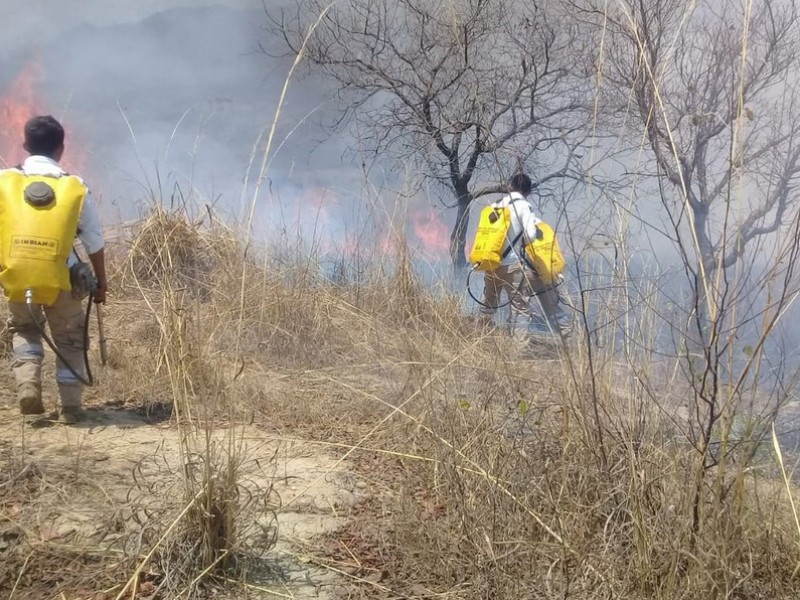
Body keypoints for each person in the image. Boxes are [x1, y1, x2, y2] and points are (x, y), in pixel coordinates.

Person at [0, 115, 107, 424]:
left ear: (24, 145)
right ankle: (71, 408)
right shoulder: (75, 187)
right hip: (63, 279)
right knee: (70, 339)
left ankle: (28, 386)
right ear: (61, 149)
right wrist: (101, 283)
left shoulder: (4, 180)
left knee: (24, 330)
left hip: (18, 277)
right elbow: (94, 242)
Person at [478, 172, 570, 338]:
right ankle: (518, 350)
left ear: (510, 186)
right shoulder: (523, 206)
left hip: (491, 264)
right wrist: (526, 243)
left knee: (489, 304)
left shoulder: (496, 205)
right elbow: (531, 234)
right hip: (513, 266)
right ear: (527, 192)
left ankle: (480, 338)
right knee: (519, 308)